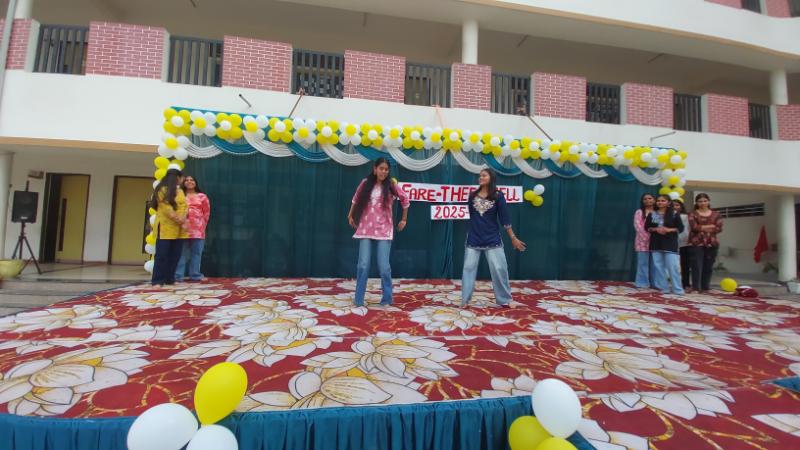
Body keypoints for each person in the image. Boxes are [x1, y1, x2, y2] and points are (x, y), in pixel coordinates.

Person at [347, 158, 410, 307]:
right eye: (381, 168)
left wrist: (404, 219)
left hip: (384, 229)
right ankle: (358, 299)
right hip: (366, 229)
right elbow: (355, 199)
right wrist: (350, 215)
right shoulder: (365, 183)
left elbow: (405, 199)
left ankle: (387, 299)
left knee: (384, 267)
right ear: (375, 169)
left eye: (386, 169)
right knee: (363, 265)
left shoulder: (391, 185)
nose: (384, 172)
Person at [461, 168, 526, 308]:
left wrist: (513, 237)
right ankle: (465, 300)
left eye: (484, 175)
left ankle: (505, 299)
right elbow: (472, 216)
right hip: (474, 238)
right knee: (468, 268)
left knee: (499, 268)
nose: (480, 177)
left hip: (492, 238)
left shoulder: (498, 196)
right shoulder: (472, 196)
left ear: (491, 177)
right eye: (480, 175)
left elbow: (504, 218)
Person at [150, 169, 187, 286]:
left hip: (179, 228)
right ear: (177, 177)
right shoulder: (161, 190)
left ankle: (170, 279)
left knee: (175, 254)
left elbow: (185, 206)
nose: (182, 180)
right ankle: (157, 280)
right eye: (182, 178)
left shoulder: (180, 191)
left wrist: (182, 217)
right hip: (165, 227)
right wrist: (179, 219)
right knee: (162, 255)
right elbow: (166, 208)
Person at [646, 195, 684, 295]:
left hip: (670, 243)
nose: (660, 202)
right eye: (658, 200)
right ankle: (664, 288)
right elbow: (647, 227)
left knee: (673, 267)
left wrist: (668, 230)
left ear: (668, 203)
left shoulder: (674, 214)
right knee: (659, 267)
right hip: (656, 243)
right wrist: (655, 229)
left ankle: (678, 289)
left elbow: (680, 228)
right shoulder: (652, 214)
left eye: (663, 201)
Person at [175, 175, 211, 282]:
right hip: (183, 228)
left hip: (198, 230)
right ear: (183, 183)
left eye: (192, 180)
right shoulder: (179, 195)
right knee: (181, 253)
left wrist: (202, 225)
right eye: (187, 180)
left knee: (196, 253)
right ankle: (178, 276)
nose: (189, 182)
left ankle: (195, 275)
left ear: (195, 183)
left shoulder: (202, 196)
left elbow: (206, 212)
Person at [689, 193, 723, 292]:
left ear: (708, 201)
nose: (703, 203)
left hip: (712, 243)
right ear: (696, 203)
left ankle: (705, 286)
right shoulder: (692, 214)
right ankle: (696, 287)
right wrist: (710, 226)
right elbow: (694, 227)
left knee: (708, 266)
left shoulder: (716, 214)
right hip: (697, 243)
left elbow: (719, 228)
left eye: (705, 201)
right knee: (696, 266)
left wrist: (702, 227)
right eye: (700, 201)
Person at [633, 193, 655, 288]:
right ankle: (642, 283)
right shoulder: (639, 212)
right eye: (645, 199)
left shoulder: (658, 212)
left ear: (654, 200)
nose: (647, 200)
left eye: (650, 198)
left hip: (656, 241)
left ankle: (655, 283)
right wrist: (646, 237)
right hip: (642, 241)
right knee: (643, 263)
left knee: (655, 263)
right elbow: (637, 225)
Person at [673, 200, 692, 291]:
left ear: (681, 206)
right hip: (671, 243)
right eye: (673, 205)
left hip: (685, 243)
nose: (675, 207)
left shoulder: (686, 216)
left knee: (685, 265)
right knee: (673, 265)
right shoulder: (666, 216)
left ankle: (685, 283)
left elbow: (688, 229)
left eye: (677, 205)